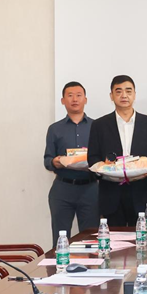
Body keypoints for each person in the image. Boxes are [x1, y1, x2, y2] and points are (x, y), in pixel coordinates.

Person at [88, 75, 147, 227]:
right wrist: (104, 167)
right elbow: (92, 158)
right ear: (111, 96)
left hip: (143, 192)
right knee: (115, 239)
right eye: (118, 91)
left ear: (134, 95)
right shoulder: (99, 125)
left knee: (144, 237)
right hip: (111, 194)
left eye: (128, 91)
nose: (124, 95)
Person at [44, 82, 99, 247]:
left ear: (85, 99)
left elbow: (102, 157)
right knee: (60, 239)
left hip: (90, 188)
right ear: (62, 100)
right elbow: (47, 160)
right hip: (63, 189)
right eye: (70, 95)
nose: (74, 99)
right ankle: (59, 263)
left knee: (91, 240)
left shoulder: (97, 126)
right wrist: (55, 162)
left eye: (78, 95)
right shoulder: (54, 129)